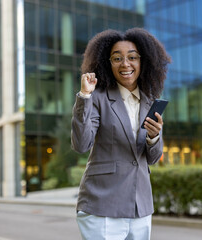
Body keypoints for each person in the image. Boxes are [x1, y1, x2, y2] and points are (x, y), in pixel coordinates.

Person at [71, 28, 171, 240]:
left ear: (144, 62)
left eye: (132, 57)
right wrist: (84, 97)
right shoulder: (97, 97)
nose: (125, 64)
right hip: (102, 203)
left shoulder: (149, 101)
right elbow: (81, 144)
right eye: (117, 58)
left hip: (140, 206)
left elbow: (152, 158)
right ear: (108, 63)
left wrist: (154, 137)